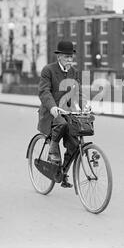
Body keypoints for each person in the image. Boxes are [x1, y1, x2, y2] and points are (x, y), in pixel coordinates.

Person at [37, 40, 89, 188]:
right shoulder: (48, 70)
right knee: (62, 123)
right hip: (50, 113)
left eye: (71, 57)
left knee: (74, 142)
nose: (69, 60)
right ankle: (53, 148)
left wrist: (84, 106)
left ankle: (62, 172)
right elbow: (44, 91)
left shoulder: (73, 72)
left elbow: (78, 92)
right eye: (66, 57)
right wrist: (52, 107)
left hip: (67, 111)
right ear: (58, 56)